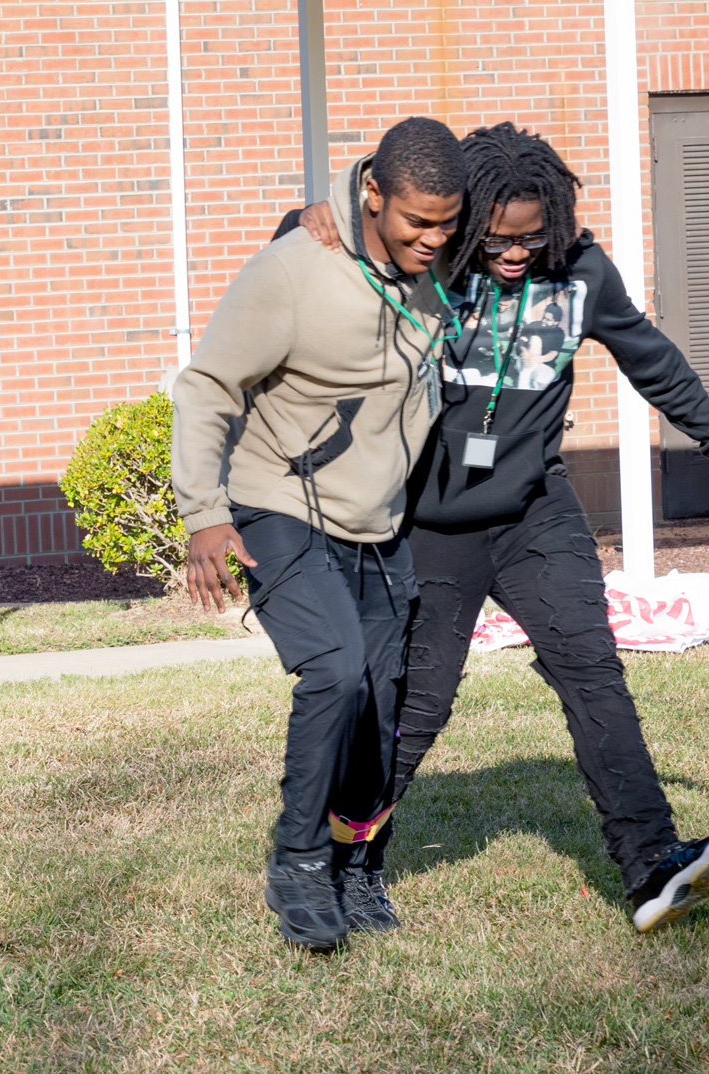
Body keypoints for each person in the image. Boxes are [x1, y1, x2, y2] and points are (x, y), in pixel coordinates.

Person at [288, 123, 709, 932]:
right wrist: (311, 215)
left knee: (592, 670)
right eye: (499, 239)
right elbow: (312, 257)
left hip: (536, 510)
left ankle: (652, 863)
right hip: (430, 525)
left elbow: (649, 355)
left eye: (532, 237)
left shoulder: (581, 273)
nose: (515, 253)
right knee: (415, 707)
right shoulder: (425, 260)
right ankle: (341, 867)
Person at [172, 117, 466, 950]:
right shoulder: (294, 269)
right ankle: (298, 863)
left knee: (380, 707)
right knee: (335, 672)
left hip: (378, 521)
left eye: (446, 224)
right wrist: (204, 513)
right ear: (371, 194)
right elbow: (206, 387)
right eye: (417, 222)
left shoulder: (438, 262)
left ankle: (356, 865)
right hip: (279, 502)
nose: (433, 238)